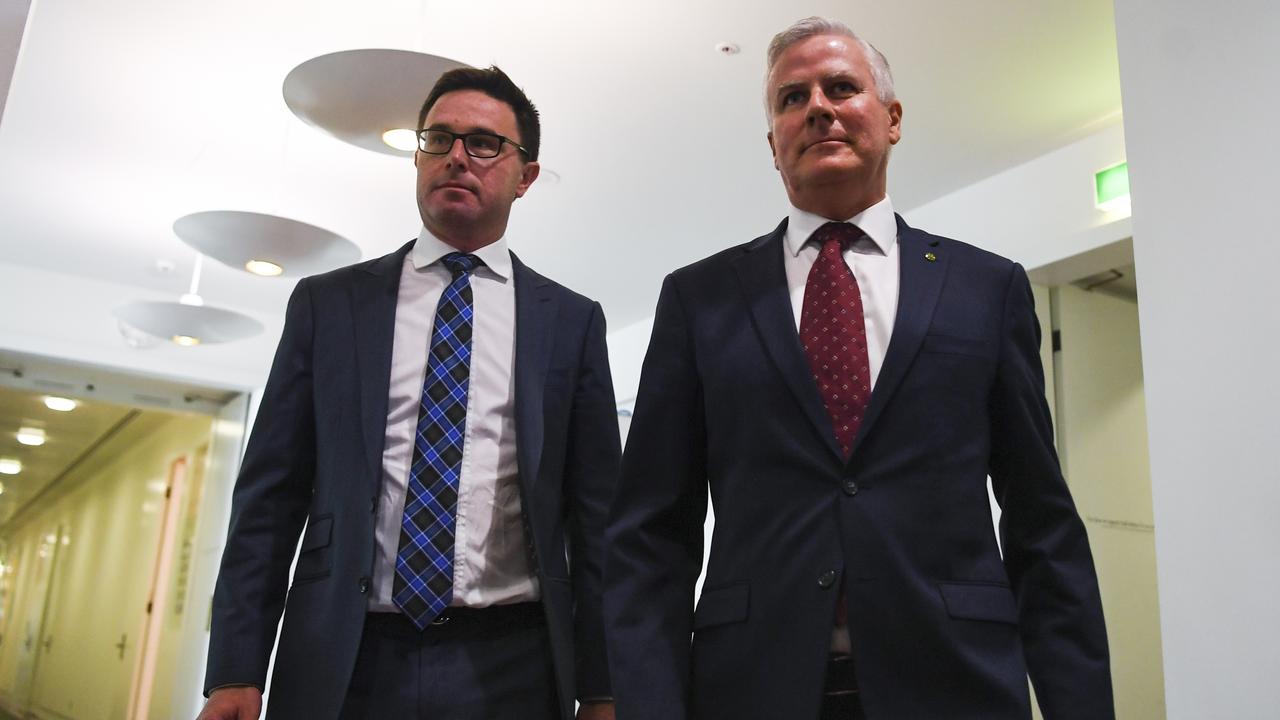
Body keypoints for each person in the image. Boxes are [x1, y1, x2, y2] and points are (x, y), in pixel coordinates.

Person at [603, 17, 1113, 720]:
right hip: (750, 688)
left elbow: (1041, 523)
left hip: (955, 684)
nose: (817, 107)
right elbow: (650, 536)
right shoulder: (699, 299)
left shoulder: (986, 288)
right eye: (791, 98)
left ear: (892, 118)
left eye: (841, 88)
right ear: (773, 146)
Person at [198, 66, 618, 720]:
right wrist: (235, 668)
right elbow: (269, 500)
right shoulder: (329, 307)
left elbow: (597, 525)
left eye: (483, 143)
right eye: (439, 138)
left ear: (525, 175)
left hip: (513, 662)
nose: (456, 156)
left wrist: (604, 687)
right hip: (346, 656)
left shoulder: (570, 323)